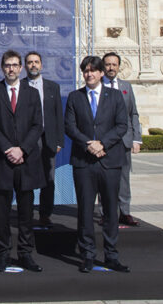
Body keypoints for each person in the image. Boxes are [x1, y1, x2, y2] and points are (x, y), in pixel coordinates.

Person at [0, 50, 45, 273]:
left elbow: (38, 124)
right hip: (2, 160)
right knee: (2, 212)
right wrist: (9, 149)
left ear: (21, 68)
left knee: (26, 212)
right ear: (2, 67)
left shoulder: (32, 93)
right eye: (7, 65)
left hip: (26, 161)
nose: (11, 69)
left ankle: (26, 253)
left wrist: (22, 149)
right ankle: (2, 254)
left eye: (15, 65)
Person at [65, 55, 130, 273]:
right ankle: (88, 255)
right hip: (84, 162)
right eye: (86, 71)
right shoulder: (75, 97)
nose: (89, 74)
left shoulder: (115, 96)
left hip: (109, 160)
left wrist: (103, 143)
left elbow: (122, 125)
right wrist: (88, 144)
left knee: (111, 210)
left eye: (93, 70)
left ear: (102, 73)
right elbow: (70, 126)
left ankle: (111, 254)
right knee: (84, 210)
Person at [22, 52, 64, 226]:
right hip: (28, 139)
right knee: (28, 177)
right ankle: (27, 212)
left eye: (36, 62)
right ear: (25, 66)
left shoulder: (52, 87)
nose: (33, 65)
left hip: (48, 138)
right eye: (30, 62)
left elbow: (57, 115)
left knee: (49, 177)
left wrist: (59, 140)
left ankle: (45, 213)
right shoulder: (20, 85)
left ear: (41, 65)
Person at [103, 52, 142, 227]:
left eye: (114, 65)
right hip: (105, 141)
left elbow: (133, 113)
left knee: (124, 179)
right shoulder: (97, 87)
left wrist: (137, 139)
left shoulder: (126, 87)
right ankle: (107, 212)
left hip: (124, 140)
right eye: (108, 64)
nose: (111, 68)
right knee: (104, 179)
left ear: (119, 67)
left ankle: (125, 212)